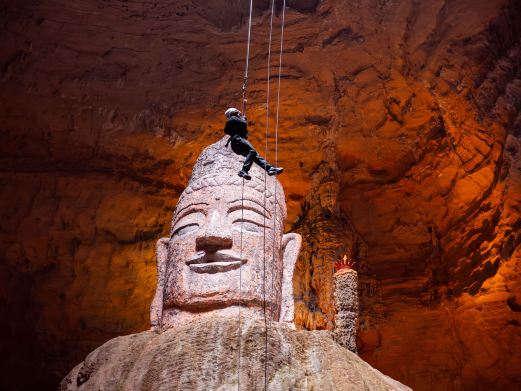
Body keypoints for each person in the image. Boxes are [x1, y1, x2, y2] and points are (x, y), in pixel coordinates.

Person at [223, 107, 284, 180]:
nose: (239, 113)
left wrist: (242, 119)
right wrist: (243, 118)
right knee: (252, 152)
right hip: (238, 140)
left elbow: (243, 130)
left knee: (255, 156)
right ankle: (244, 170)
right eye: (237, 112)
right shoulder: (233, 118)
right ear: (234, 113)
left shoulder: (234, 121)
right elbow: (243, 123)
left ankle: (269, 168)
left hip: (237, 143)